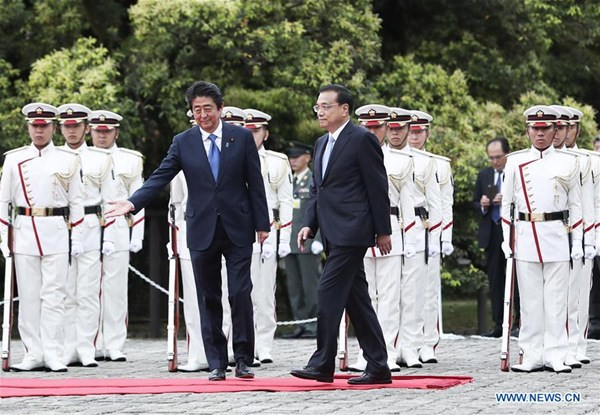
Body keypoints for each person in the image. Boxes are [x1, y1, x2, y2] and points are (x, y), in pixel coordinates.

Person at [105, 80, 270, 381]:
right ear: (191, 112)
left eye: (208, 108)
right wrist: (132, 203)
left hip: (238, 227)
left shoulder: (241, 138)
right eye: (197, 110)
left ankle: (244, 359)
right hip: (201, 228)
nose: (203, 115)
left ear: (220, 108)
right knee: (208, 298)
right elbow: (160, 176)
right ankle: (217, 362)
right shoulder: (184, 141)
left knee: (240, 293)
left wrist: (262, 224)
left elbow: (255, 183)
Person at [290, 84, 392, 385]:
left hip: (354, 230)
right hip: (332, 231)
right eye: (317, 107)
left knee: (327, 292)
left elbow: (377, 188)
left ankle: (322, 364)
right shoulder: (321, 143)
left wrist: (383, 231)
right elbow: (317, 190)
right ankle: (379, 366)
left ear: (343, 109)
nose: (320, 111)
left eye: (325, 106)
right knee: (356, 300)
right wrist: (310, 223)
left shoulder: (361, 139)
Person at [0, 103, 84, 372]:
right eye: (35, 125)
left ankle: (53, 353)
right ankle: (33, 352)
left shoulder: (68, 159)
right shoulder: (13, 159)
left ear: (53, 128)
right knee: (28, 296)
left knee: (55, 295)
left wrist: (78, 236)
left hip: (56, 230)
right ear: (28, 127)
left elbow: (77, 201)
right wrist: (4, 236)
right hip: (25, 230)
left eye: (44, 125)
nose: (39, 130)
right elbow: (3, 202)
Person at [502, 105, 582, 373]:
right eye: (535, 129)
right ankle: (532, 354)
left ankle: (556, 354)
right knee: (531, 300)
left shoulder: (568, 162)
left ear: (555, 130)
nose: (539, 133)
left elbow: (577, 206)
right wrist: (506, 239)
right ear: (527, 131)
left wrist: (579, 241)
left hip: (557, 233)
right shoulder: (515, 161)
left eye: (545, 128)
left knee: (557, 299)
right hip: (525, 235)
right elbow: (507, 206)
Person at [348, 104, 416, 372]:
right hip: (359, 230)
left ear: (388, 128)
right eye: (368, 126)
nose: (373, 131)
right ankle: (363, 352)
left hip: (391, 229)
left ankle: (385, 352)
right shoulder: (350, 152)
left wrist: (409, 240)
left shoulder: (402, 161)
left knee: (389, 298)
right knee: (363, 298)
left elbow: (408, 203)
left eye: (378, 126)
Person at [58, 103, 116, 368]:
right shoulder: (53, 157)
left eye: (77, 126)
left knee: (89, 292)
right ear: (60, 128)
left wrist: (111, 237)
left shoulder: (101, 158)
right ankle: (67, 347)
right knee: (65, 291)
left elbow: (111, 201)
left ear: (85, 127)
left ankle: (86, 347)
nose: (72, 131)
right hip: (61, 226)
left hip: (92, 226)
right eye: (67, 126)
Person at [90, 110, 144, 362]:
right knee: (85, 289)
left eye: (107, 131)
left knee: (115, 289)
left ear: (116, 132)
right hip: (88, 226)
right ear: (90, 131)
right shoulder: (79, 157)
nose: (102, 136)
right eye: (98, 131)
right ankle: (89, 342)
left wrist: (138, 234)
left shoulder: (130, 160)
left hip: (119, 226)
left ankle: (113, 343)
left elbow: (138, 196)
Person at [244, 108, 293, 364]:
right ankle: (243, 342)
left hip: (270, 229)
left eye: (256, 131)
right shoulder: (235, 157)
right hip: (243, 229)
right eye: (247, 131)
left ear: (266, 133)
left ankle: (263, 345)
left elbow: (285, 200)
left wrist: (285, 237)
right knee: (241, 291)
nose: (251, 135)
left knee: (264, 292)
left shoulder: (278, 161)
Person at [555, 105, 597, 366]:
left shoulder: (590, 160)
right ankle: (555, 345)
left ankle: (576, 344)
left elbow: (595, 202)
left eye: (569, 127)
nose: (564, 132)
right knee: (555, 293)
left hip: (582, 232)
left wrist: (591, 237)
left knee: (579, 291)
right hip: (552, 232)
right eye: (559, 126)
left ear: (577, 129)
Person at [407, 110, 450, 364]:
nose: (413, 137)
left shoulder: (438, 163)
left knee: (428, 290)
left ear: (427, 134)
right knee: (403, 291)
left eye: (418, 132)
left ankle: (427, 342)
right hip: (400, 228)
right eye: (410, 131)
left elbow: (444, 205)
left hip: (425, 228)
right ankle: (405, 342)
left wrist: (444, 238)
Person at [472, 137, 515, 338]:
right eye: (491, 158)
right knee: (495, 279)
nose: (495, 161)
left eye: (498, 157)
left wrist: (506, 200)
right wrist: (482, 204)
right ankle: (499, 324)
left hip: (512, 230)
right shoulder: (485, 174)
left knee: (517, 278)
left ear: (507, 154)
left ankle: (520, 322)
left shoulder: (516, 173)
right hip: (492, 231)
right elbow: (473, 202)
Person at [283, 142, 322, 339]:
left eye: (297, 157)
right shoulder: (288, 180)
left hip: (307, 241)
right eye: (291, 157)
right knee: (294, 288)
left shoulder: (312, 179)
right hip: (289, 241)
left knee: (310, 286)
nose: (293, 161)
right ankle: (299, 323)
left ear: (308, 157)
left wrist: (320, 238)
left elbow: (320, 210)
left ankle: (314, 326)